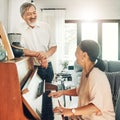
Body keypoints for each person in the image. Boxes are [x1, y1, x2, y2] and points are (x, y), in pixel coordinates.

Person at [49, 40, 115, 120]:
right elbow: (79, 91)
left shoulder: (97, 75)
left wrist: (71, 111)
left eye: (77, 50)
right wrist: (62, 92)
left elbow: (96, 107)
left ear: (84, 55)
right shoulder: (85, 72)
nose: (75, 53)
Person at [16, 2, 57, 120]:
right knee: (31, 105)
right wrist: (37, 54)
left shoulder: (46, 26)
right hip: (30, 70)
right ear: (22, 16)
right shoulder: (18, 29)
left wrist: (45, 56)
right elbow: (19, 50)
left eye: (34, 12)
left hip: (46, 67)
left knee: (46, 100)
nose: (33, 16)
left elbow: (53, 46)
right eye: (29, 14)